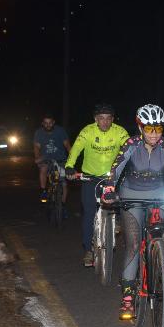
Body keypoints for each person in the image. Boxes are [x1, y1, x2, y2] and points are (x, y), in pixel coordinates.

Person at [100, 105, 164, 320]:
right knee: (133, 243)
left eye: (158, 129)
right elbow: (116, 167)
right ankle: (128, 297)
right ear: (140, 127)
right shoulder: (131, 144)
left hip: (159, 192)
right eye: (149, 129)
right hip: (132, 195)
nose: (154, 134)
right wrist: (110, 188)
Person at [65, 103, 130, 267]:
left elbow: (131, 148)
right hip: (90, 177)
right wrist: (69, 166)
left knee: (125, 199)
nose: (105, 122)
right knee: (89, 212)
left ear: (112, 119)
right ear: (96, 119)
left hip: (112, 176)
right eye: (101, 119)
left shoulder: (119, 131)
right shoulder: (87, 131)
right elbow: (76, 149)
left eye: (108, 119)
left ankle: (117, 221)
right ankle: (88, 250)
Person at [33, 112, 71, 204]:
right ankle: (43, 191)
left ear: (53, 122)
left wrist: (72, 158)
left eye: (50, 122)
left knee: (64, 184)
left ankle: (63, 205)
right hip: (45, 158)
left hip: (60, 158)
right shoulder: (39, 132)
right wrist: (37, 157)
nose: (48, 125)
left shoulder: (60, 131)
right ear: (42, 123)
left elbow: (67, 145)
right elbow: (36, 147)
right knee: (43, 169)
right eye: (45, 123)